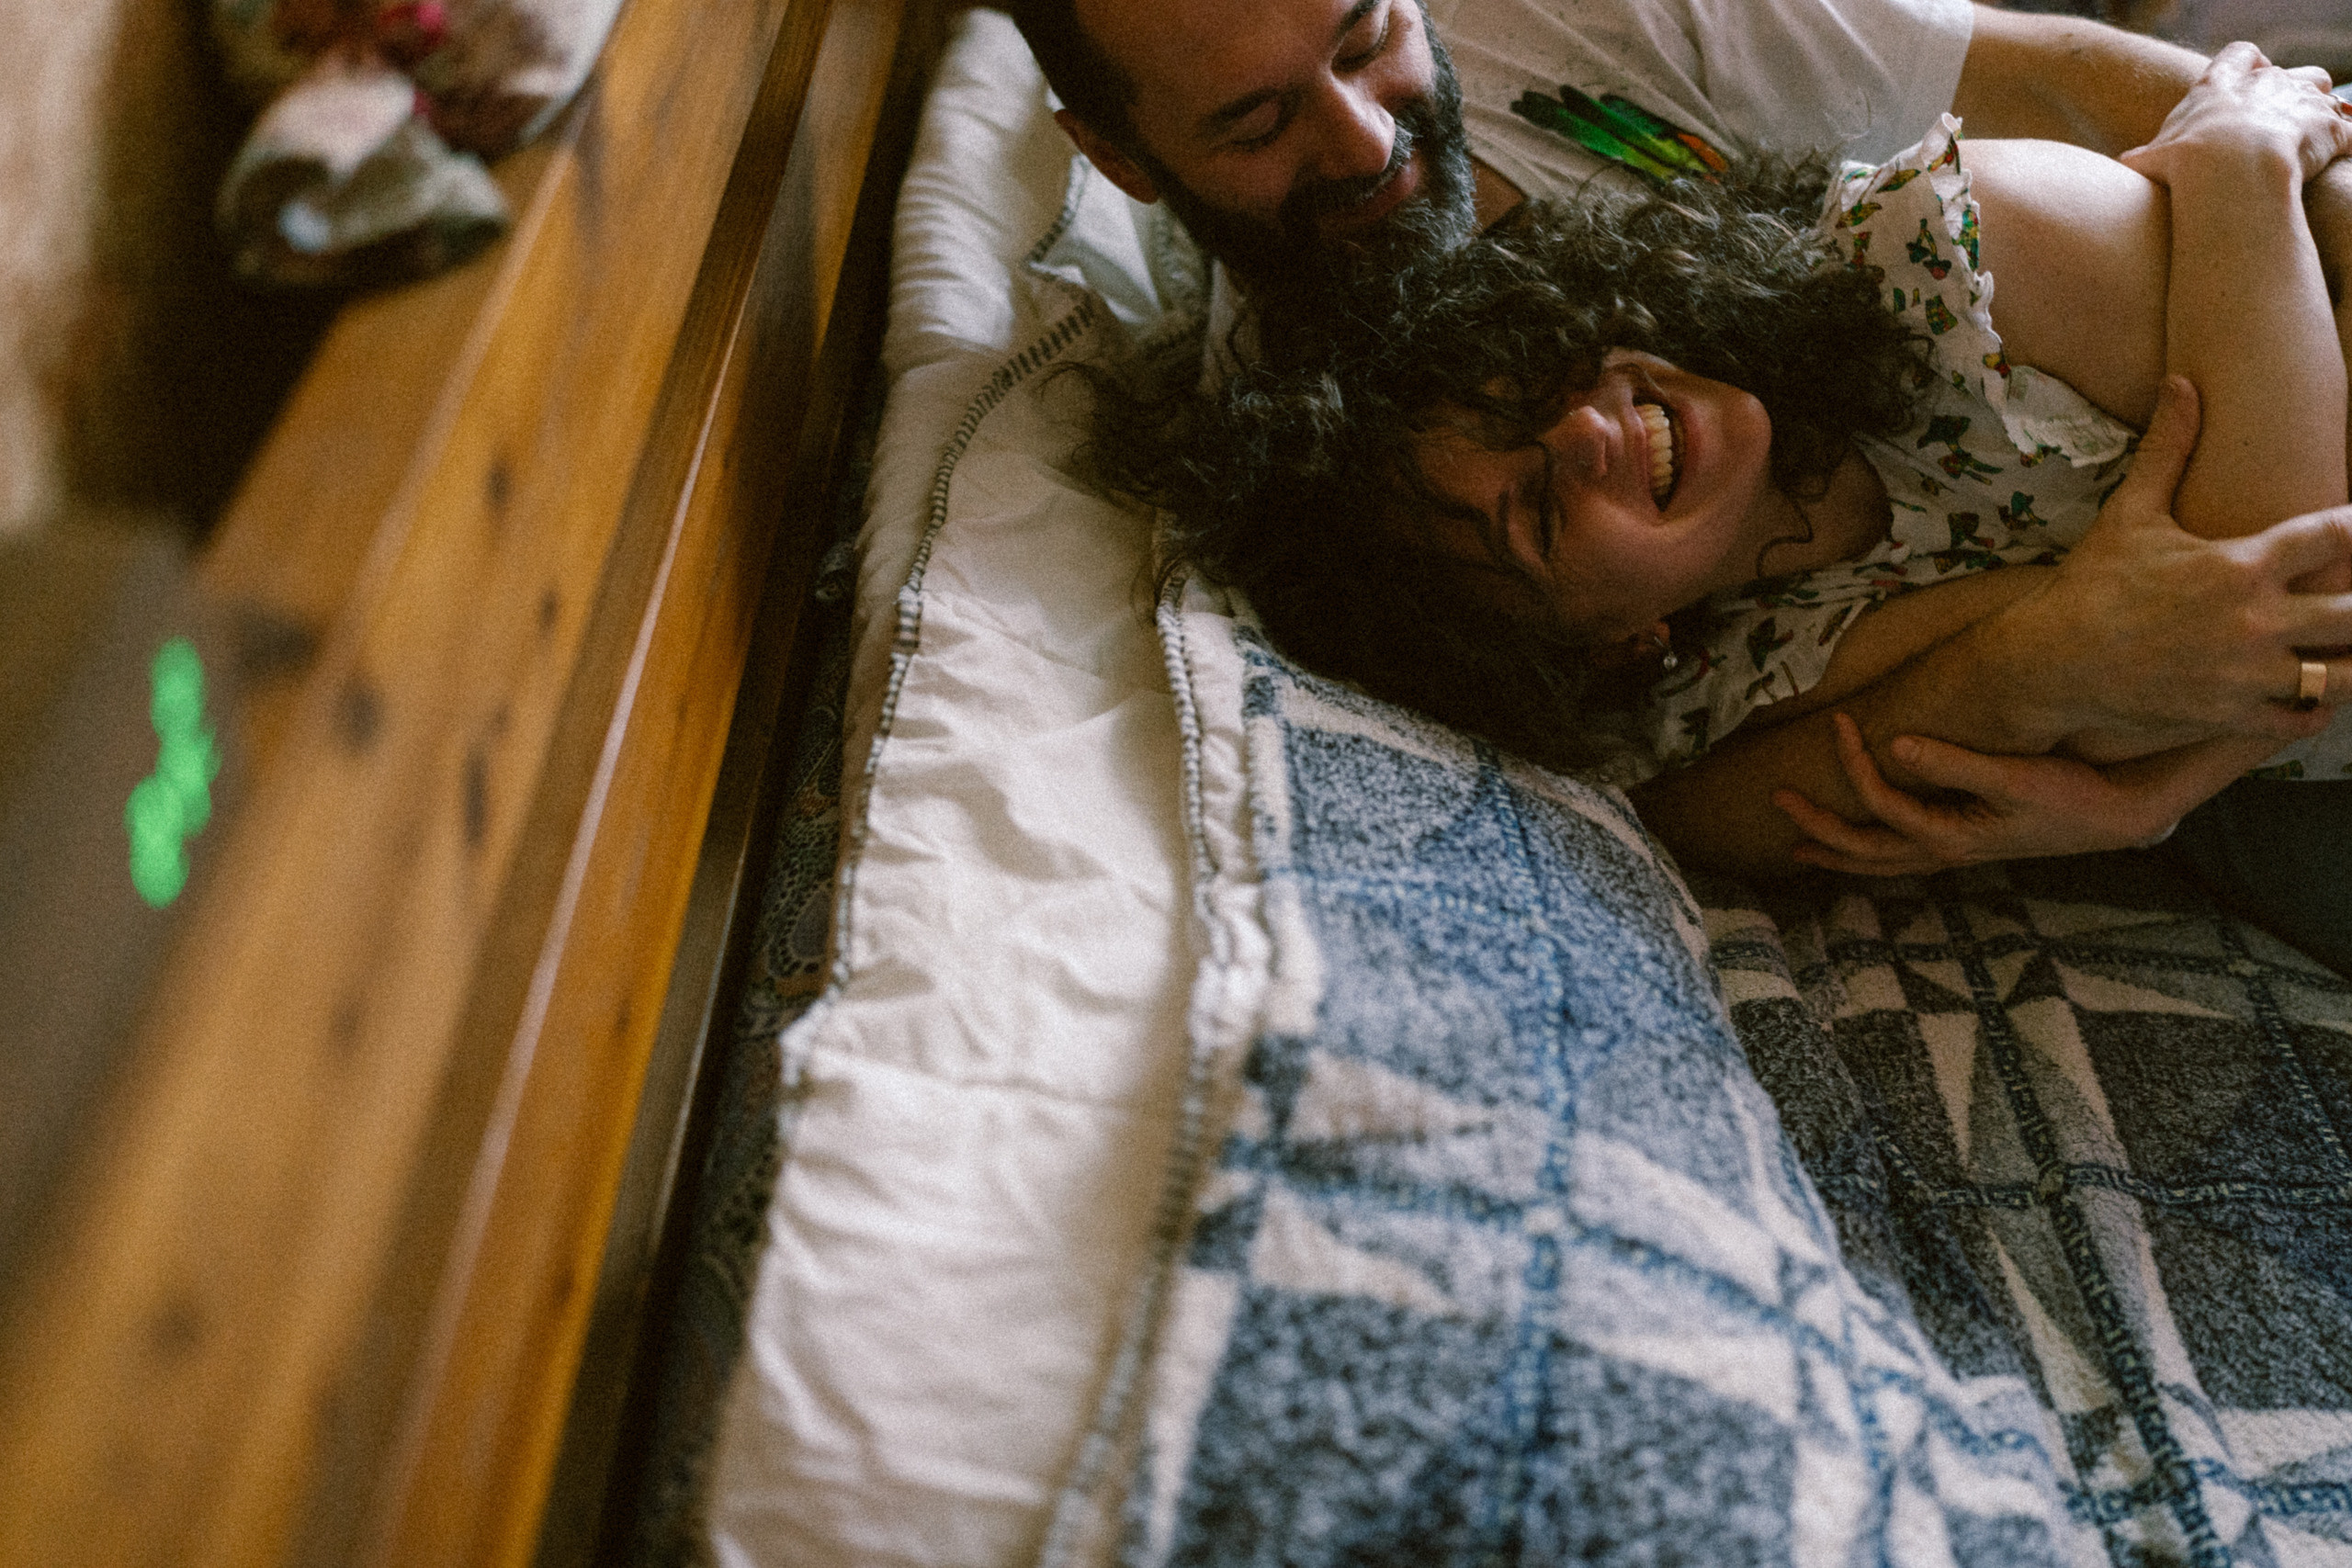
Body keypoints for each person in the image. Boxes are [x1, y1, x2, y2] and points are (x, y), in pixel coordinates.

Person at [1010, 0, 2352, 945]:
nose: (1366, 143)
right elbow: (1703, 789)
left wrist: (2252, 171)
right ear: (1119, 159)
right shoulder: (1330, 515)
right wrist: (2080, 714)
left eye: (1368, 38)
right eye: (1254, 123)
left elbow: (2095, 85)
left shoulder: (1924, 245)